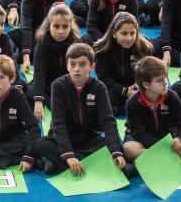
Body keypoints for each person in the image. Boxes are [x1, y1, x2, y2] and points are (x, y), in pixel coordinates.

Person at [35, 43, 126, 175]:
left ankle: (58, 164)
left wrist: (116, 152)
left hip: (89, 139)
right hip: (64, 138)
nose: (77, 69)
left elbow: (108, 121)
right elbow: (58, 124)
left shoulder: (99, 87)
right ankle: (83, 162)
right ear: (67, 66)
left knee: (117, 148)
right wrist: (69, 155)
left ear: (92, 66)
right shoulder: (58, 86)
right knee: (40, 144)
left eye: (82, 65)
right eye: (73, 64)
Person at [122, 56, 181, 166]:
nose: (165, 83)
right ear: (146, 84)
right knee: (129, 149)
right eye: (159, 81)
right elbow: (139, 133)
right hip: (143, 140)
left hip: (168, 138)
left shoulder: (172, 96)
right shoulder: (132, 103)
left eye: (165, 78)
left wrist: (180, 139)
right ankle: (170, 163)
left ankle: (151, 164)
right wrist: (160, 147)